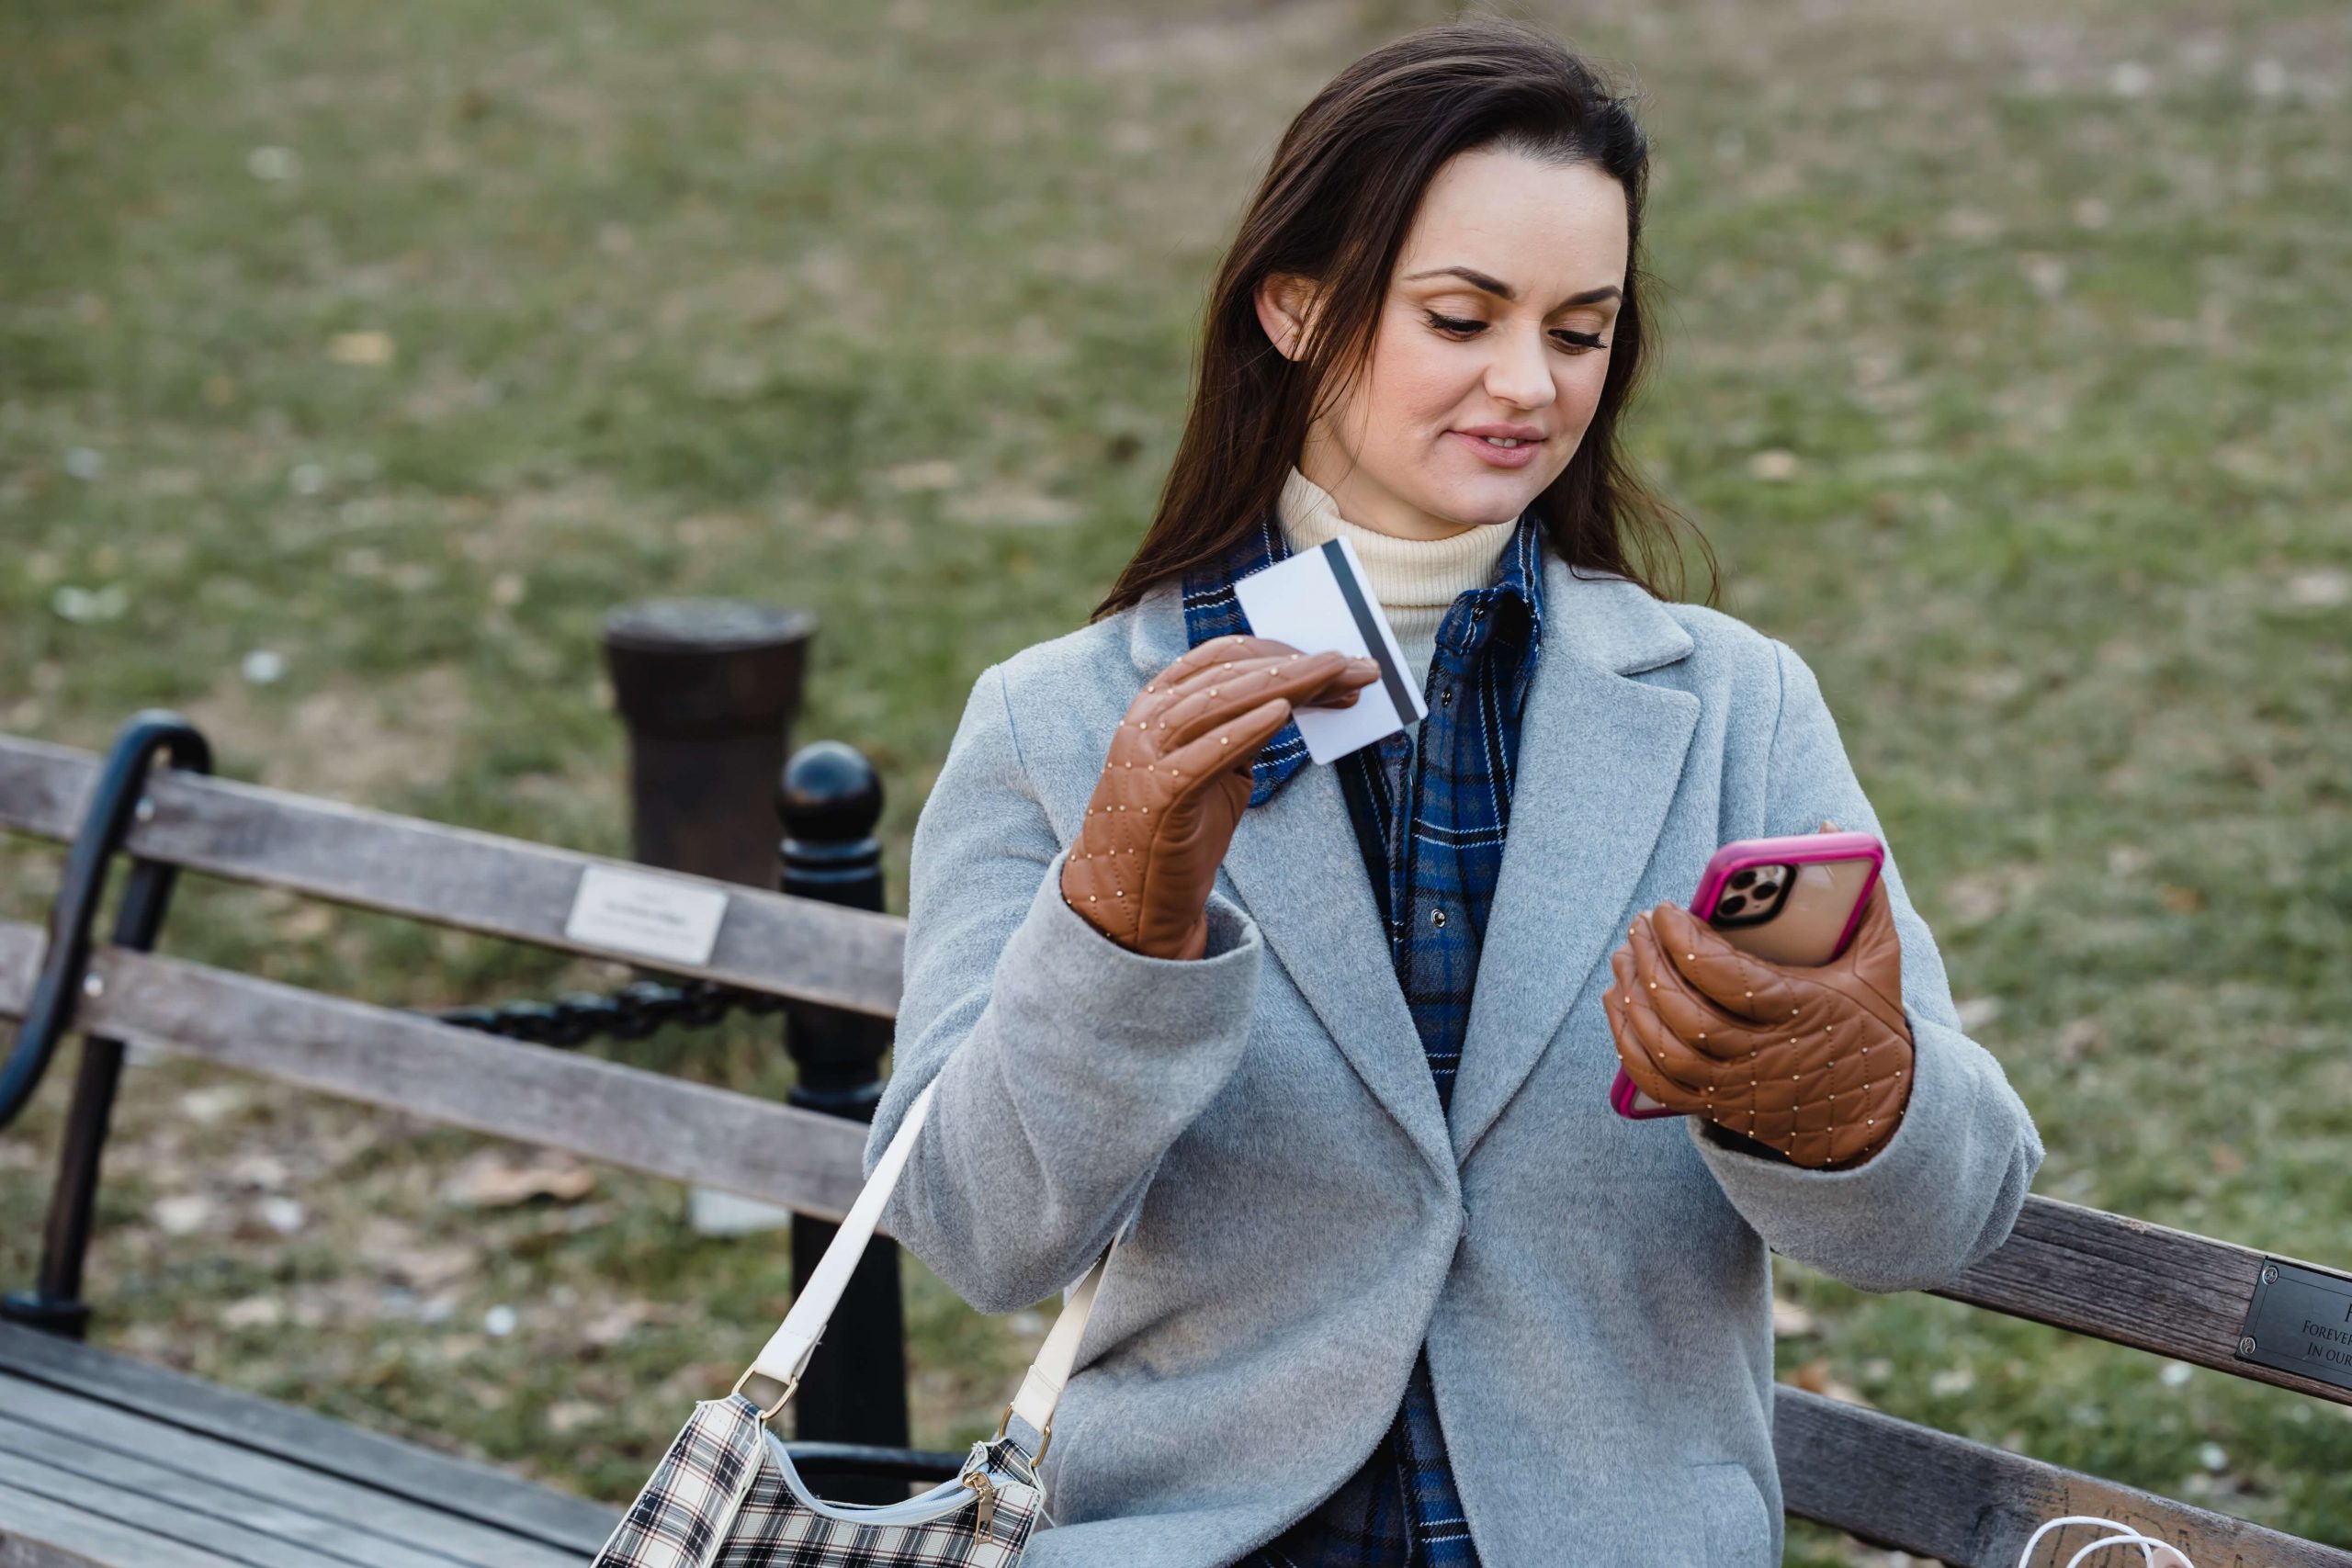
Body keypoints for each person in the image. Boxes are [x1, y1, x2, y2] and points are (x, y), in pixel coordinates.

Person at [865, 16, 2043, 1567]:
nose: (1526, 385)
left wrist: (1848, 1099)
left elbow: (1952, 1216)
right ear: (1294, 309)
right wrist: (1115, 931)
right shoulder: (1060, 720)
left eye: (1578, 329)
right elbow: (976, 1234)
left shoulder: (1728, 705)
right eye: (1460, 315)